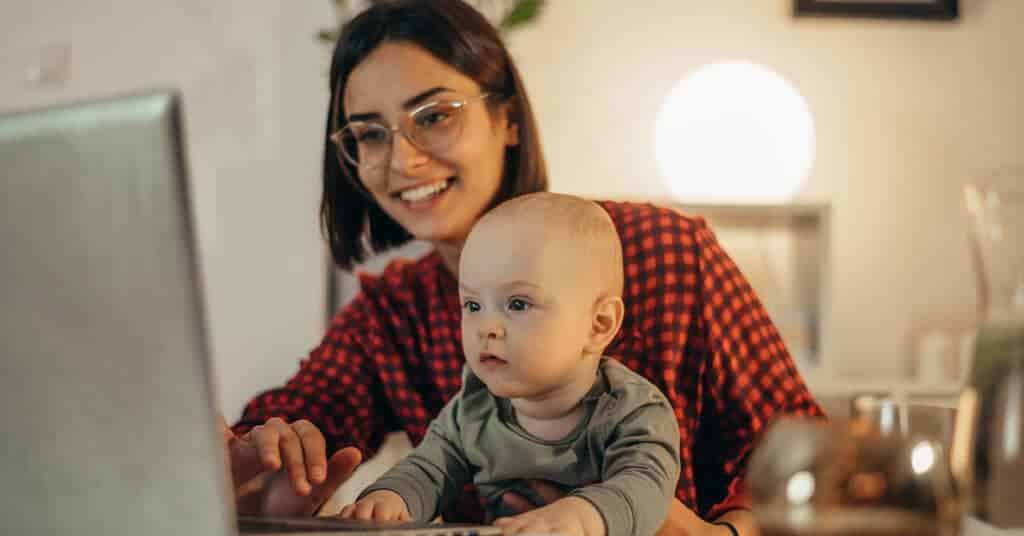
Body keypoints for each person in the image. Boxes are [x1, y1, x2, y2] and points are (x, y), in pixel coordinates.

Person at [221, 1, 824, 534]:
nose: (402, 159)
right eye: (370, 134)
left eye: (433, 116)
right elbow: (291, 431)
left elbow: (806, 459)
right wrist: (262, 468)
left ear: (507, 118)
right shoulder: (392, 312)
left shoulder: (665, 251)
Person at [338, 193, 681, 536]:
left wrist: (582, 516)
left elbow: (645, 486)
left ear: (599, 324)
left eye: (517, 303)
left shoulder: (633, 413)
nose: (486, 327)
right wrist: (390, 498)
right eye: (472, 305)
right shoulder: (474, 407)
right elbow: (429, 468)